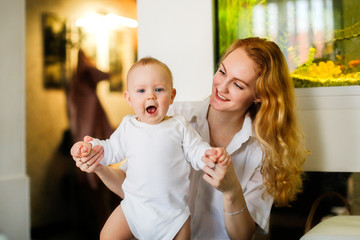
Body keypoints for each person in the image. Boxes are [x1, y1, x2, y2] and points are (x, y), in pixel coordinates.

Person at [74, 37, 308, 239]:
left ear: (259, 95)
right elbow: (136, 187)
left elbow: (243, 236)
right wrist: (97, 164)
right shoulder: (169, 116)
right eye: (222, 72)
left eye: (237, 84)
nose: (221, 87)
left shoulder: (263, 151)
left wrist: (231, 191)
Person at [71, 57, 231, 240]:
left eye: (159, 89)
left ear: (172, 96)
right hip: (133, 208)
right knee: (106, 236)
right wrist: (89, 148)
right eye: (141, 90)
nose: (150, 96)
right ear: (129, 98)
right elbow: (109, 150)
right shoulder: (128, 127)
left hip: (173, 215)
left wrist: (209, 154)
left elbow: (196, 149)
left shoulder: (179, 126)